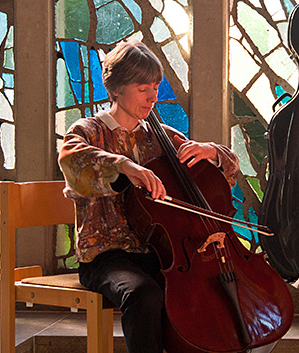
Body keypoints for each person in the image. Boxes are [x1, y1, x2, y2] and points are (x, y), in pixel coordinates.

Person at [58, 41, 240, 353]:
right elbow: (73, 161)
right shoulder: (87, 131)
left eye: (155, 87)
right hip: (105, 255)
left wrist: (213, 152)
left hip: (160, 252)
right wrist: (124, 165)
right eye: (143, 88)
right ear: (116, 88)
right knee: (144, 293)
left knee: (208, 289)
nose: (153, 96)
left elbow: (227, 175)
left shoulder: (161, 138)